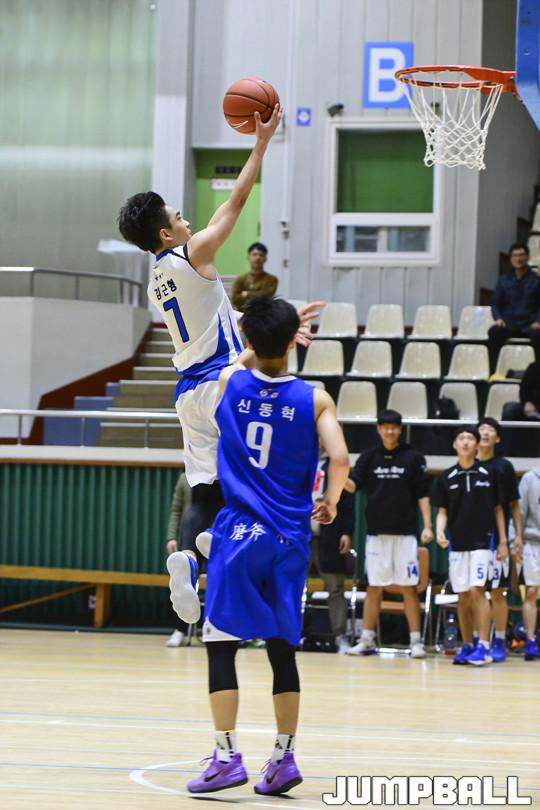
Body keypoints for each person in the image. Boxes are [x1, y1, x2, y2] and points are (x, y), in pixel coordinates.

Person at [118, 108, 320, 599]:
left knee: (203, 489)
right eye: (179, 217)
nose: (188, 221)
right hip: (221, 382)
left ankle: (189, 558)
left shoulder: (156, 278)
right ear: (165, 234)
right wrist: (261, 143)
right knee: (258, 468)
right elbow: (236, 202)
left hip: (187, 394)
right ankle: (230, 549)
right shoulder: (191, 256)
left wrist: (278, 327)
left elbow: (223, 318)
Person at [168, 296, 349, 795]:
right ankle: (284, 758)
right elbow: (339, 458)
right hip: (289, 538)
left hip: (239, 536)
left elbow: (243, 359)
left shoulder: (231, 381)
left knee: (220, 645)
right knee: (281, 649)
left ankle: (226, 757)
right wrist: (330, 502)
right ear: (293, 342)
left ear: (248, 339)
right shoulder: (316, 399)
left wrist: (259, 338)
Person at [344, 409, 433, 659]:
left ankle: (416, 642)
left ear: (400, 429)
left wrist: (427, 525)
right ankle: (367, 639)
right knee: (374, 586)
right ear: (378, 429)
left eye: (394, 427)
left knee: (409, 587)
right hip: (376, 534)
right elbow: (353, 485)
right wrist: (338, 475)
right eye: (385, 427)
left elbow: (423, 494)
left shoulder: (413, 458)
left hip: (405, 534)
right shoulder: (369, 457)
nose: (390, 431)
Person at [432, 426, 508, 666]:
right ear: (454, 444)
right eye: (461, 438)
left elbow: (498, 510)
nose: (465, 442)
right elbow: (442, 511)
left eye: (470, 438)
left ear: (476, 444)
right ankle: (467, 645)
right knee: (463, 596)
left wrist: (503, 541)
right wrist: (439, 530)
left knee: (477, 590)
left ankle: (484, 646)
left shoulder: (489, 473)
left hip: (483, 542)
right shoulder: (447, 477)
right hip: (457, 544)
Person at [476, 418, 522, 662]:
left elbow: (513, 505)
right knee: (473, 593)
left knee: (496, 592)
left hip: (497, 538)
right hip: (470, 538)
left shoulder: (504, 467)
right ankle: (476, 640)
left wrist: (517, 537)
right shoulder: (467, 464)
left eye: (490, 430)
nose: (485, 433)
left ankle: (501, 640)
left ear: (498, 438)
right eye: (482, 429)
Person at [317, 455, 355, 654]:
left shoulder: (334, 465)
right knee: (284, 584)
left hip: (329, 535)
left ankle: (339, 636)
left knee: (335, 588)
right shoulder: (296, 457)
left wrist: (347, 531)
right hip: (297, 532)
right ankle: (280, 635)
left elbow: (347, 502)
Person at [488, 242, 540, 372]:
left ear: (528, 257)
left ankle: (536, 375)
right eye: (515, 255)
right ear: (510, 259)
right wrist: (498, 318)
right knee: (494, 332)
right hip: (509, 324)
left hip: (530, 325)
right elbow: (495, 304)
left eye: (521, 255)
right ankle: (494, 372)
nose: (518, 258)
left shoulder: (536, 279)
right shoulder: (503, 280)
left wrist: (538, 321)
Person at [512, 467, 540, 660]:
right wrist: (515, 539)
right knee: (531, 591)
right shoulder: (531, 478)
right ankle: (530, 640)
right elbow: (519, 512)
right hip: (532, 542)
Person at [164, 473, 192, 647]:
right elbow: (176, 510)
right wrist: (171, 537)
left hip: (215, 537)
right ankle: (179, 629)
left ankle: (216, 627)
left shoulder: (222, 474)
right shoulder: (184, 478)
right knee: (182, 581)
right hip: (189, 536)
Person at [231, 242, 278, 311]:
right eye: (254, 254)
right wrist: (257, 294)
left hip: (263, 314)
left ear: (265, 259)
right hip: (243, 314)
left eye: (261, 255)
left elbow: (266, 296)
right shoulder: (240, 280)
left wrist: (246, 294)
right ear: (248, 257)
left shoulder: (272, 279)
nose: (257, 257)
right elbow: (235, 300)